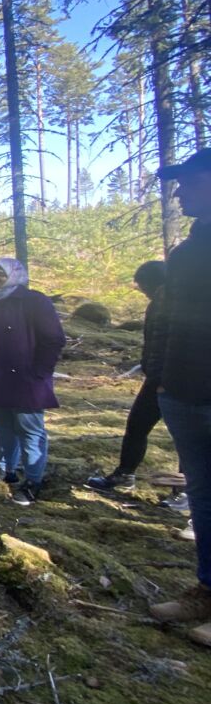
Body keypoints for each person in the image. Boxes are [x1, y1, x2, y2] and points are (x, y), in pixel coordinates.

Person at [147, 149, 211, 647]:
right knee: (205, 497)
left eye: (186, 181)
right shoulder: (192, 248)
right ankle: (207, 589)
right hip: (185, 391)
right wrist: (165, 380)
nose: (176, 192)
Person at [0, 258, 66, 506]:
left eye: (0, 274)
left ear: (13, 275)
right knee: (2, 426)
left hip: (23, 379)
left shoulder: (33, 301)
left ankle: (33, 481)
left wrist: (39, 372)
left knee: (29, 430)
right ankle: (7, 471)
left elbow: (53, 339)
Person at [87, 261, 166, 493]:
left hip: (178, 380)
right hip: (156, 377)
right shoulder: (158, 304)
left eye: (142, 285)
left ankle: (183, 489)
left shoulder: (177, 303)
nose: (142, 291)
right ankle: (125, 474)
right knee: (137, 425)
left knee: (185, 436)